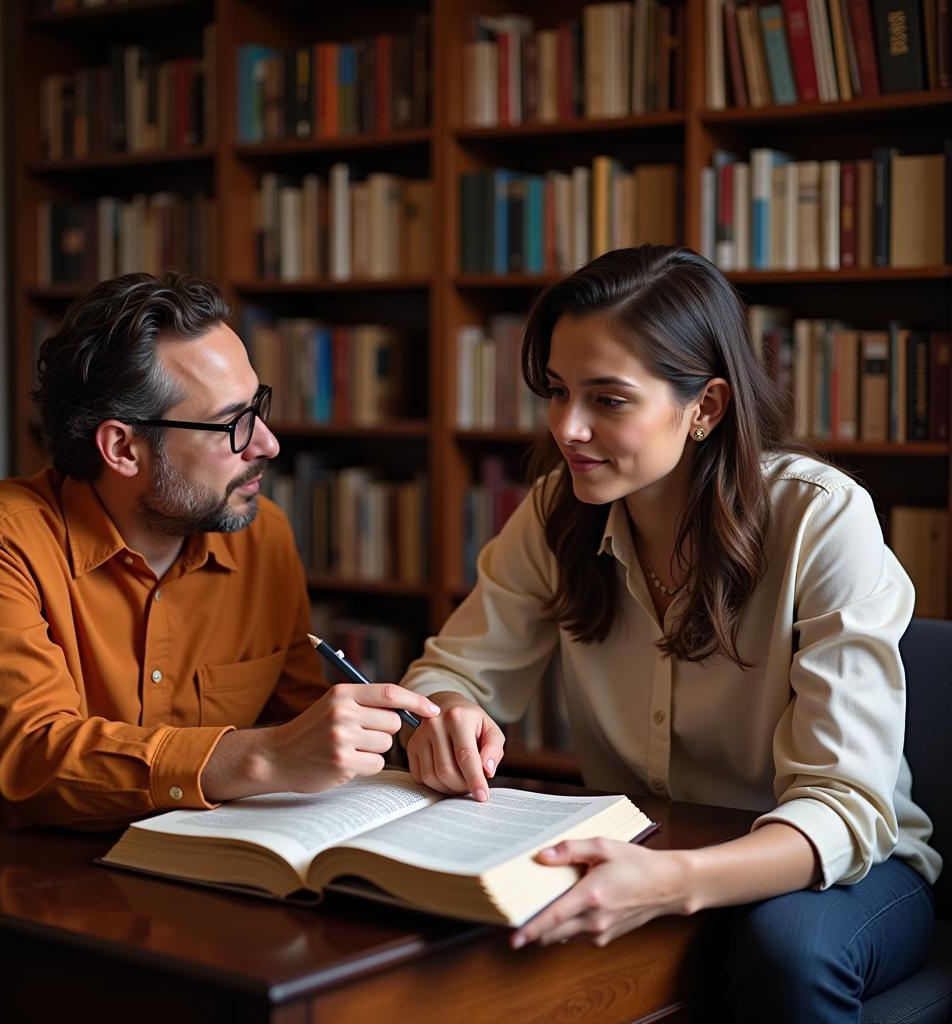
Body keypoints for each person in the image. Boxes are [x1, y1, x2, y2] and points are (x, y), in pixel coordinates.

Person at [400, 245, 941, 1020]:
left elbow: (845, 808)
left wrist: (673, 884)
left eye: (608, 400)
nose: (567, 428)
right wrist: (445, 713)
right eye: (556, 391)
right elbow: (452, 670)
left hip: (845, 870)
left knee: (786, 952)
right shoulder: (558, 511)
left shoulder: (821, 518)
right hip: (646, 847)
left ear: (706, 407)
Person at [0, 271, 438, 843]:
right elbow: (36, 761)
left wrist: (408, 734)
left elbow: (294, 720)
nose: (268, 443)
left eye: (259, 406)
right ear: (123, 447)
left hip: (205, 874)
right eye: (232, 424)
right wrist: (266, 755)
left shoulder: (262, 535)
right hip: (10, 888)